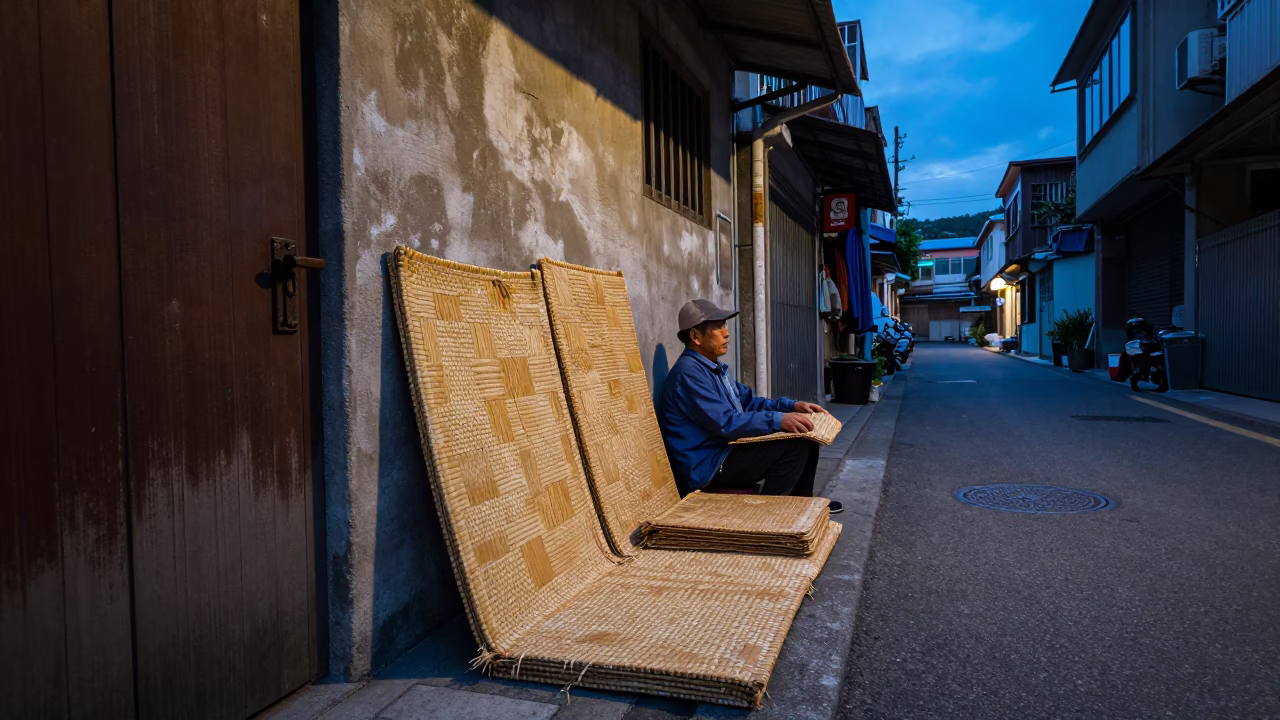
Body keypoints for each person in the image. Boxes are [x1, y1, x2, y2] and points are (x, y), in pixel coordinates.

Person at [657, 299, 842, 513]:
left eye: (725, 325)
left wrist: (791, 407)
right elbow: (726, 422)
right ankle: (772, 515)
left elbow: (749, 402)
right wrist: (778, 420)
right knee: (793, 446)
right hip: (708, 465)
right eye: (718, 327)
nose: (726, 333)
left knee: (806, 437)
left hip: (724, 451)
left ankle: (801, 505)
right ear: (695, 336)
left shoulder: (712, 368)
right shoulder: (688, 373)